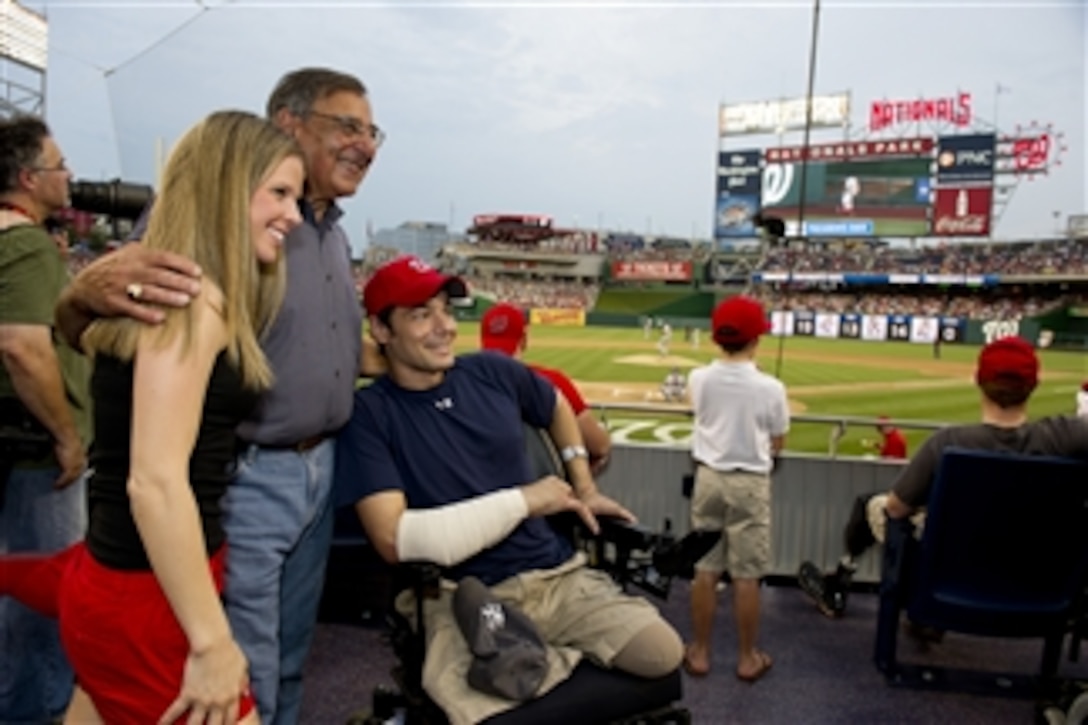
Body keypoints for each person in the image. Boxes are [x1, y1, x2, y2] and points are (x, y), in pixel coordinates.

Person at [52, 67, 378, 724]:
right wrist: (76, 299)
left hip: (307, 475)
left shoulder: (330, 235)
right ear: (287, 124)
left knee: (279, 656)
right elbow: (153, 475)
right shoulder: (188, 282)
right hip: (230, 493)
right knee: (237, 666)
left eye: (373, 132)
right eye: (348, 125)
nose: (365, 144)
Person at [336, 255, 684, 725]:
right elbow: (394, 538)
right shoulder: (371, 415)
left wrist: (582, 484)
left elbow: (556, 404)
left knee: (662, 654)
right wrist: (526, 500)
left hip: (552, 574)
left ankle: (526, 655)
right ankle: (518, 650)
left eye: (446, 310)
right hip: (458, 589)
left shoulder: (492, 372)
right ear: (380, 330)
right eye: (420, 315)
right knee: (482, 710)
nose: (444, 327)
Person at [799, 336, 1088, 619]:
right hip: (1039, 579)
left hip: (948, 574)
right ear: (1034, 384)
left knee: (874, 505)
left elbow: (896, 508)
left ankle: (838, 585)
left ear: (979, 381)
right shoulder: (1067, 436)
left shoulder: (947, 442)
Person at [0, 115, 90, 723]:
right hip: (37, 456)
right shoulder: (24, 242)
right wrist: (67, 436)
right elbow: (22, 346)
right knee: (46, 599)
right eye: (59, 165)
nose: (70, 176)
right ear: (29, 178)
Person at [683, 295, 789, 683]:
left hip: (708, 477)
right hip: (750, 481)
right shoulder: (771, 387)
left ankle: (699, 652)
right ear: (756, 339)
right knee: (746, 576)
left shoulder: (699, 378)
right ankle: (747, 658)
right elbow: (778, 442)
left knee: (705, 569)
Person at [479, 302, 612, 472]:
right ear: (524, 340)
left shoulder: (462, 382)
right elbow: (600, 446)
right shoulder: (551, 381)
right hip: (545, 486)